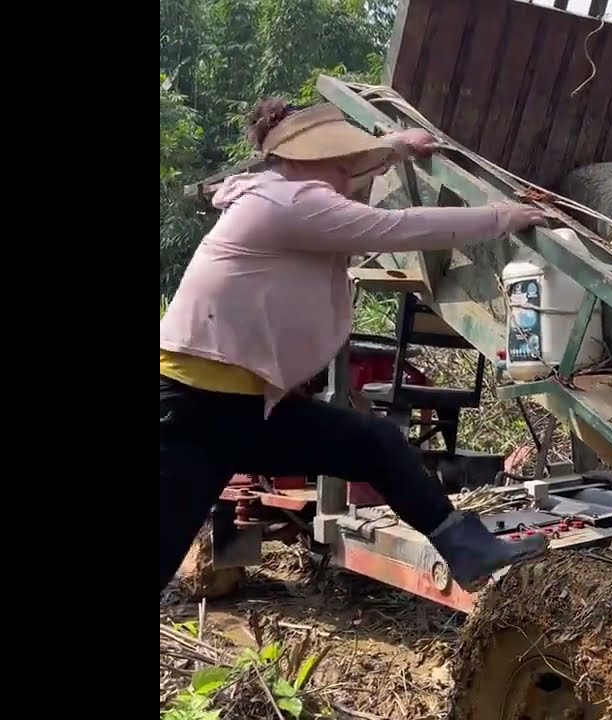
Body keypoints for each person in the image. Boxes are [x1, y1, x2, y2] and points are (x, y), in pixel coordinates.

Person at [160, 98, 551, 595]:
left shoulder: (279, 191)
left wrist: (396, 149)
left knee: (375, 442)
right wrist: (501, 216)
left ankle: (465, 548)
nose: (350, 178)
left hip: (239, 409)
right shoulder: (292, 205)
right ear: (306, 162)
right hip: (191, 410)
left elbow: (361, 175)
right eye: (342, 165)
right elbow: (401, 227)